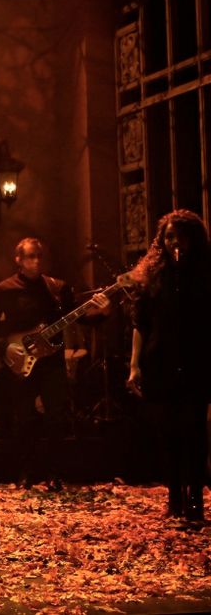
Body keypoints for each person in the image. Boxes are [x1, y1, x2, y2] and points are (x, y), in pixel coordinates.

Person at [0, 237, 111, 489]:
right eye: (30, 256)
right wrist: (6, 347)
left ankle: (54, 473)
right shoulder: (5, 289)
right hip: (22, 360)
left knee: (56, 418)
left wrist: (102, 312)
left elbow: (79, 317)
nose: (36, 261)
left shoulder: (57, 287)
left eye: (39, 256)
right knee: (25, 418)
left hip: (52, 360)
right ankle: (26, 472)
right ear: (18, 259)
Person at [126, 209, 211, 522]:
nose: (176, 243)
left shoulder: (204, 273)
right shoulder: (152, 276)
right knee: (169, 431)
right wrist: (134, 365)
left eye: (181, 237)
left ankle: (196, 500)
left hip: (197, 359)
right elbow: (140, 324)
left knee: (195, 431)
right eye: (170, 236)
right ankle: (175, 496)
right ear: (162, 240)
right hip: (160, 358)